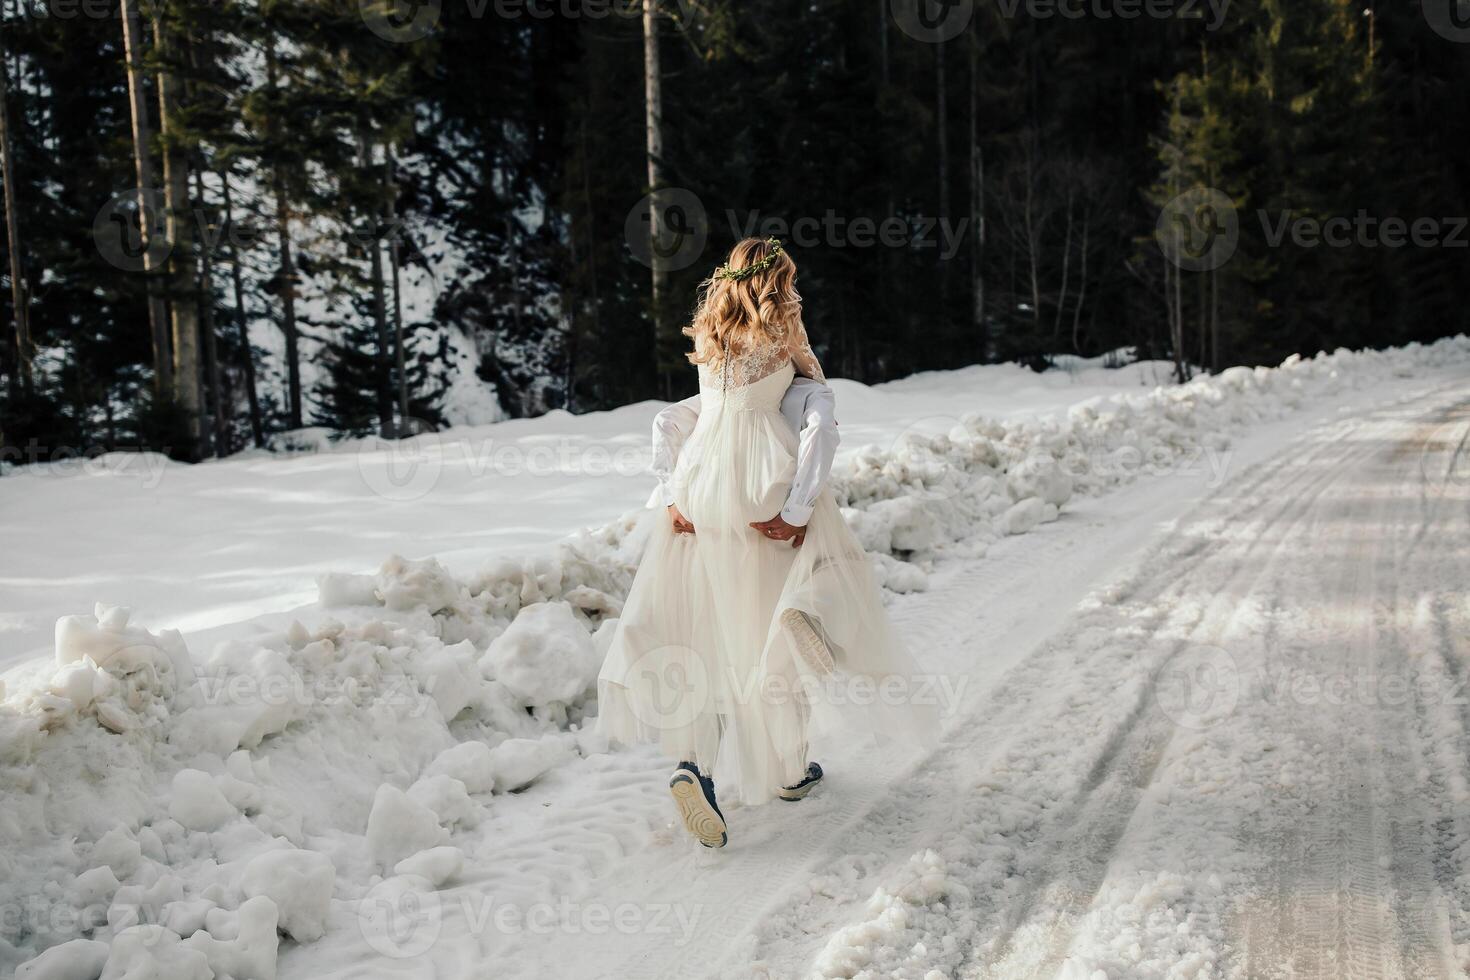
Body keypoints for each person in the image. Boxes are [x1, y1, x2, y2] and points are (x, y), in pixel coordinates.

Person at [597, 238, 936, 849]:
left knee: (708, 630)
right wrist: (798, 506)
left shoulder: (709, 333)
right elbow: (819, 414)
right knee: (802, 594)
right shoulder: (786, 330)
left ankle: (693, 766)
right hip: (764, 484)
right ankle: (789, 756)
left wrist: (670, 491)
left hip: (701, 491)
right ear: (781, 281)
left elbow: (668, 419)